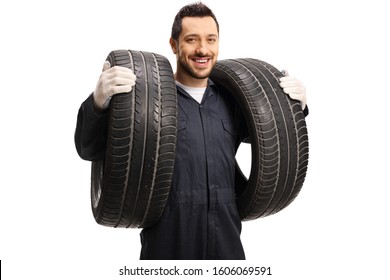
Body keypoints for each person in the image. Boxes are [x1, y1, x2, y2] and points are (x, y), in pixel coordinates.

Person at [75, 2, 308, 260]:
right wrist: (99, 103)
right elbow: (89, 149)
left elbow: (274, 137)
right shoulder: (141, 104)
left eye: (211, 40)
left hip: (226, 248)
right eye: (191, 39)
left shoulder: (232, 102)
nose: (203, 49)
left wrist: (293, 107)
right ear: (174, 45)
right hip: (166, 252)